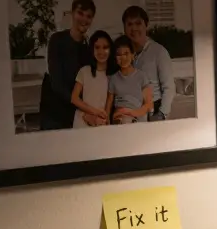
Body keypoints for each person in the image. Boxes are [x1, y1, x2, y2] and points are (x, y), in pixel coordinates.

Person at [39, 0, 96, 131]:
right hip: (53, 112)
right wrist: (83, 107)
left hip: (74, 113)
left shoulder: (89, 48)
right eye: (80, 13)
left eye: (88, 16)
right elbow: (56, 83)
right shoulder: (57, 39)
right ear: (72, 13)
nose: (84, 19)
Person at [121, 5, 174, 121]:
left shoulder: (159, 51)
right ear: (124, 28)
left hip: (154, 112)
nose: (134, 28)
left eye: (138, 23)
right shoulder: (124, 54)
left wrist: (161, 114)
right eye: (129, 24)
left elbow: (169, 88)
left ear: (146, 25)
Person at [107, 36, 153, 124]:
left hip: (137, 123)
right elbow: (108, 106)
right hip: (118, 123)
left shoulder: (142, 76)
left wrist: (130, 113)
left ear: (133, 55)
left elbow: (148, 105)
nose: (123, 57)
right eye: (119, 54)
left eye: (126, 53)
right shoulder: (113, 79)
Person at [71, 31, 112, 128]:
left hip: (101, 123)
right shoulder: (84, 71)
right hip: (82, 120)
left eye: (105, 47)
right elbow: (74, 99)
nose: (101, 51)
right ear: (92, 50)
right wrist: (93, 113)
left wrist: (103, 118)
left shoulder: (112, 75)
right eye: (97, 47)